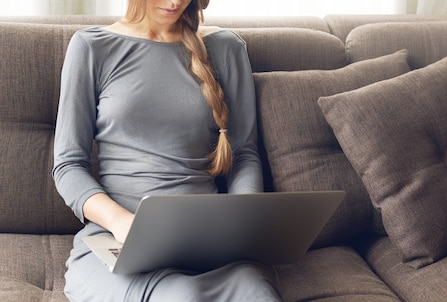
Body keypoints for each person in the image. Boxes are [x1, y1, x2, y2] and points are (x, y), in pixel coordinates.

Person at [52, 0, 282, 300]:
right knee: (184, 296)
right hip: (118, 240)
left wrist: (241, 221)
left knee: (258, 293)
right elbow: (69, 165)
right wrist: (121, 222)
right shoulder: (92, 47)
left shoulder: (226, 48)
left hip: (207, 241)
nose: (175, 1)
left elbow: (243, 154)